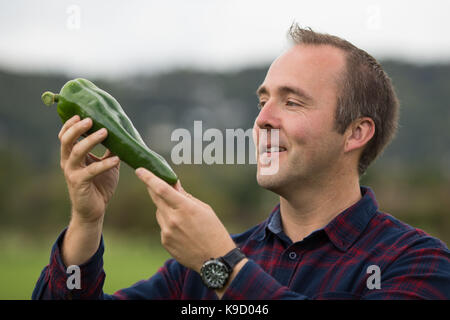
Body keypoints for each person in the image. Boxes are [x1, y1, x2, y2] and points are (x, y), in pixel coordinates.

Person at [32, 24, 450, 300]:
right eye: (263, 100)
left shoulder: (415, 263)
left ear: (356, 133)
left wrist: (222, 267)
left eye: (292, 101)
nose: (263, 119)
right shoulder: (192, 268)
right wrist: (86, 223)